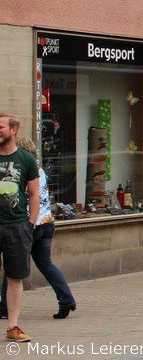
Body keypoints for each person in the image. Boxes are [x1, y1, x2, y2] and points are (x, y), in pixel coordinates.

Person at [0, 136, 77, 320]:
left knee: (12, 267)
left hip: (28, 223)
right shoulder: (40, 170)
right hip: (47, 222)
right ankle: (66, 299)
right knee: (45, 264)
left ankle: (3, 308)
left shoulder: (23, 170)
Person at [0, 113, 39, 343]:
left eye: (1, 126)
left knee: (15, 277)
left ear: (13, 130)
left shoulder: (26, 159)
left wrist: (30, 223)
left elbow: (33, 194)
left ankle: (13, 326)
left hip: (16, 225)